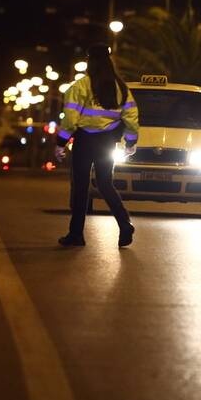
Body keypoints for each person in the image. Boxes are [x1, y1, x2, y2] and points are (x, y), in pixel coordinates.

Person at [54, 45, 140, 248]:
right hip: (107, 143)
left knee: (80, 186)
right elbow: (131, 117)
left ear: (89, 61)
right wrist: (130, 142)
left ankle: (76, 235)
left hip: (85, 141)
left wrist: (61, 143)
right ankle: (124, 223)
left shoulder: (81, 86)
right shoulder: (121, 88)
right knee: (104, 183)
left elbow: (71, 118)